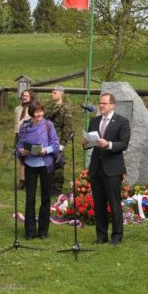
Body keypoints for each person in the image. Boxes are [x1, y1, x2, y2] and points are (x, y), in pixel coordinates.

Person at [83, 93, 130, 246]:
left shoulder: (122, 121)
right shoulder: (94, 121)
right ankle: (101, 236)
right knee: (99, 204)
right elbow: (90, 143)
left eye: (104, 103)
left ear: (112, 105)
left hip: (113, 169)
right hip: (96, 168)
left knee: (114, 203)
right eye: (100, 103)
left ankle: (117, 236)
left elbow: (123, 144)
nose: (101, 105)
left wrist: (108, 144)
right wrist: (86, 143)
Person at [17, 101, 60, 239]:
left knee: (46, 198)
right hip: (30, 165)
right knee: (30, 198)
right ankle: (30, 232)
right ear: (31, 113)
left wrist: (45, 150)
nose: (39, 114)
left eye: (41, 111)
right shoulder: (25, 125)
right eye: (36, 112)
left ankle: (43, 231)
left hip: (45, 165)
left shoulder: (48, 125)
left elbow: (55, 144)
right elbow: (19, 144)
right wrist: (22, 151)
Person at [46, 85, 73, 196]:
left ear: (61, 94)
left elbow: (67, 127)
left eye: (55, 92)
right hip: (48, 138)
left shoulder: (65, 108)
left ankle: (57, 187)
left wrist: (63, 143)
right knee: (48, 162)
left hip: (58, 139)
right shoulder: (51, 107)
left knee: (58, 164)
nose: (52, 94)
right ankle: (49, 184)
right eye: (52, 92)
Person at [13, 88, 35, 189]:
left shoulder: (33, 108)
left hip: (29, 135)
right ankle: (22, 180)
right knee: (21, 157)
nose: (24, 97)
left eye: (26, 96)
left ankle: (30, 180)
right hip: (18, 135)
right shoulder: (17, 108)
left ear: (31, 97)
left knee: (29, 157)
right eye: (23, 95)